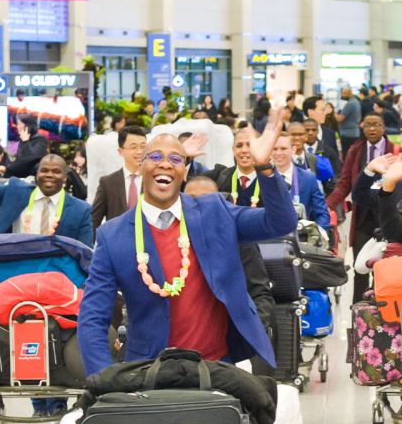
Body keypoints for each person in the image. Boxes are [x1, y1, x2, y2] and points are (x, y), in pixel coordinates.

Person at [77, 109, 296, 376]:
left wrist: (265, 167)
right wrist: (103, 380)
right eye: (155, 157)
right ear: (140, 166)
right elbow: (92, 318)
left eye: (176, 159)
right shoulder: (113, 236)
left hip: (216, 367)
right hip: (149, 373)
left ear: (184, 173)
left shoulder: (215, 211)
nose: (165, 164)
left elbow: (280, 223)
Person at [184, 175, 275, 378]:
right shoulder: (171, 239)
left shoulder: (239, 241)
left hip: (228, 346)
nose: (199, 205)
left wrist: (248, 334)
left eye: (206, 198)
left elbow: (260, 294)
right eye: (191, 199)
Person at [327, 113, 401, 302]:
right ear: (362, 127)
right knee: (360, 269)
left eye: (376, 125)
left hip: (388, 217)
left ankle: (380, 312)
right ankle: (357, 314)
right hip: (362, 219)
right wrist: (328, 205)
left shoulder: (396, 150)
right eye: (368, 125)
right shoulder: (356, 150)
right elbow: (345, 183)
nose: (372, 129)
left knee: (385, 269)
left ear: (384, 128)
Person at [0, 127, 91, 246]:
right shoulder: (15, 193)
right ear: (37, 174)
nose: (49, 175)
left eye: (56, 171)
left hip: (56, 264)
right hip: (16, 262)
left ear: (65, 177)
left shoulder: (81, 210)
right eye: (44, 170)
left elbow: (85, 254)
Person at [92, 126, 148, 230]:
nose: (140, 152)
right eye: (133, 147)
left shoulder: (153, 180)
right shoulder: (108, 183)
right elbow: (94, 220)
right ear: (121, 151)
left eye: (143, 146)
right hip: (117, 243)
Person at [271, 133, 330, 228]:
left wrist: (317, 234)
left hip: (301, 237)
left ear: (293, 149)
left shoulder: (308, 178)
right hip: (270, 238)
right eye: (274, 149)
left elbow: (322, 213)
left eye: (283, 149)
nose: (278, 153)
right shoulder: (262, 178)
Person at [7, 114, 49, 178]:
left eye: (19, 124)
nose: (17, 126)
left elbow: (31, 159)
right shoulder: (22, 139)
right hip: (21, 175)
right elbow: (20, 159)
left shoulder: (40, 139)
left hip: (33, 176)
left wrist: (26, 142)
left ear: (27, 126)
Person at [302, 96, 341, 162]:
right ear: (310, 112)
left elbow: (335, 161)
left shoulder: (330, 134)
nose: (325, 113)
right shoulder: (297, 133)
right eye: (322, 110)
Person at [336, 87, 363, 156]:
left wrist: (334, 113)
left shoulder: (350, 104)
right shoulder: (356, 102)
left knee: (347, 156)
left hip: (347, 134)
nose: (343, 96)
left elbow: (339, 119)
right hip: (353, 133)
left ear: (349, 94)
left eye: (344, 94)